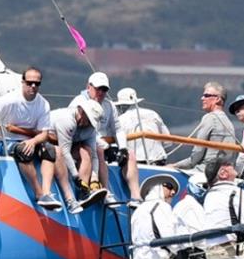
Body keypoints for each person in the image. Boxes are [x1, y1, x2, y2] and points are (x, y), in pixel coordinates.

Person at [70, 72, 142, 207]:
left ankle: (136, 197)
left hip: (102, 144)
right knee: (100, 149)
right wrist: (104, 145)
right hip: (82, 144)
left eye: (104, 90)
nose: (101, 92)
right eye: (98, 89)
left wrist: (123, 148)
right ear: (88, 87)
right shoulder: (79, 103)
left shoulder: (109, 106)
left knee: (130, 155)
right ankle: (105, 191)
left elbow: (118, 129)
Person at [0, 67, 61, 211]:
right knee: (24, 150)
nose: (33, 86)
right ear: (22, 82)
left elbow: (44, 134)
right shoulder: (7, 101)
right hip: (5, 141)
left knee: (50, 150)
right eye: (29, 83)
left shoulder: (43, 104)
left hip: (30, 140)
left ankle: (46, 193)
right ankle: (39, 194)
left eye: (36, 84)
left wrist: (33, 141)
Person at [49, 95, 108, 213]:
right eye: (88, 119)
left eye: (91, 121)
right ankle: (70, 197)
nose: (88, 123)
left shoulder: (90, 127)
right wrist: (76, 176)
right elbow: (65, 151)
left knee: (87, 151)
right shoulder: (66, 120)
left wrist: (95, 178)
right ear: (81, 110)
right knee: (60, 152)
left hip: (66, 144)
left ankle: (83, 193)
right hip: (51, 143)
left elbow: (94, 154)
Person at [172, 82, 237, 172]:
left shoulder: (209, 118)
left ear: (217, 99)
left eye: (206, 95)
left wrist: (173, 166)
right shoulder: (229, 123)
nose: (202, 98)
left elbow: (196, 155)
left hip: (204, 171)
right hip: (222, 172)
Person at [201, 156, 244, 259]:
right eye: (229, 164)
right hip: (229, 248)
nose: (233, 165)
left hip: (211, 248)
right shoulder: (236, 191)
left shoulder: (208, 195)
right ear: (223, 173)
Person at [130, 173, 181, 259]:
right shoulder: (162, 206)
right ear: (157, 187)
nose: (173, 192)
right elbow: (168, 235)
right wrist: (177, 251)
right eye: (170, 187)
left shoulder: (138, 210)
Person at [114, 87, 171, 166]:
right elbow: (168, 141)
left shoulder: (120, 120)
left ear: (122, 106)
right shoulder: (153, 114)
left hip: (137, 164)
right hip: (159, 160)